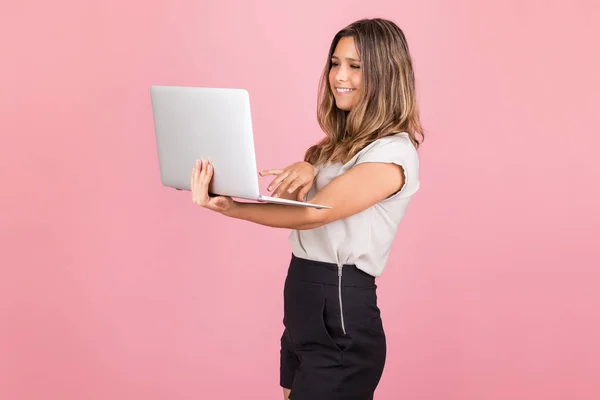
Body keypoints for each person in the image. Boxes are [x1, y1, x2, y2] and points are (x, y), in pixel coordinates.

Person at [190, 17, 423, 400]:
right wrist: (310, 165)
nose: (339, 76)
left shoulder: (393, 153)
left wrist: (232, 208)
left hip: (341, 306)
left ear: (385, 74)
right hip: (302, 300)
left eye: (355, 66)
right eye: (335, 63)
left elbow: (317, 212)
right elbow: (320, 192)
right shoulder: (334, 148)